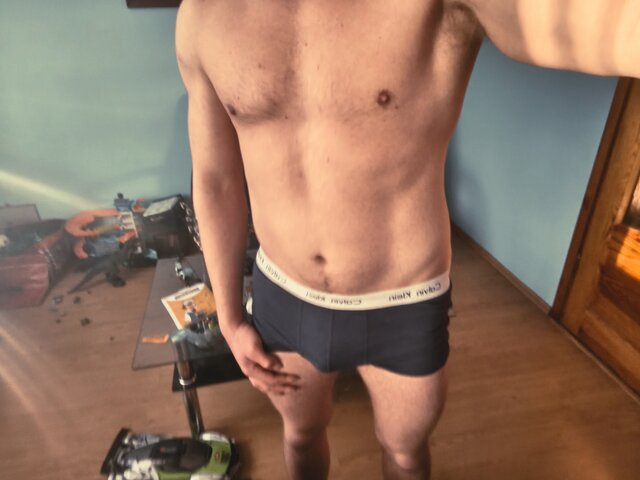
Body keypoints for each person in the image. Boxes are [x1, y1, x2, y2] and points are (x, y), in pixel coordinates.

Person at [175, 1, 639, 478]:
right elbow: (215, 179)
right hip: (284, 292)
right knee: (300, 433)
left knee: (405, 453)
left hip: (401, 302)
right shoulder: (203, 15)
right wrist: (228, 317)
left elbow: (595, 22)